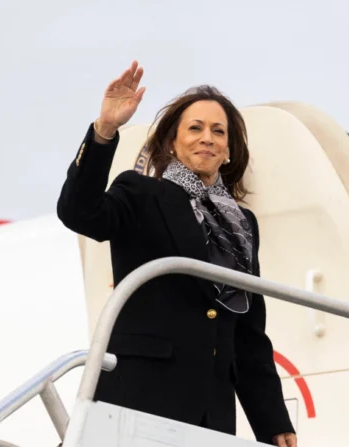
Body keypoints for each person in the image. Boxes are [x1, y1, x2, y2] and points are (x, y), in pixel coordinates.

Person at [56, 61, 297, 447]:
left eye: (219, 131)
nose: (208, 138)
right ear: (172, 141)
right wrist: (104, 131)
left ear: (229, 150)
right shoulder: (142, 193)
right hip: (142, 395)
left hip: (212, 407)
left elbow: (248, 331)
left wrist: (272, 420)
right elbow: (79, 212)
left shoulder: (243, 224)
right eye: (195, 128)